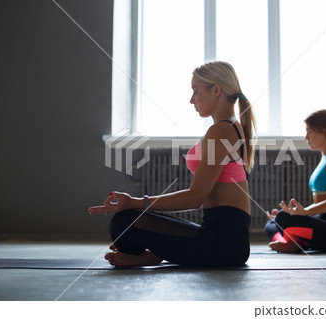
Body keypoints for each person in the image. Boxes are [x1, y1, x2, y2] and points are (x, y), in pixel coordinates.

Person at [89, 61, 256, 267]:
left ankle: (153, 253)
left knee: (124, 221)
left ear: (216, 90)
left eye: (195, 91)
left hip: (224, 245)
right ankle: (156, 254)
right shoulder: (230, 127)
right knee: (130, 221)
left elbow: (195, 197)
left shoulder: (222, 131)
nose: (191, 100)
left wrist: (135, 202)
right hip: (225, 240)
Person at [265, 109, 326, 253]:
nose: (306, 137)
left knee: (282, 218)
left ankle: (296, 241)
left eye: (309, 132)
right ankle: (296, 242)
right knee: (272, 223)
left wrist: (304, 212)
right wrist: (295, 213)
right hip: (323, 223)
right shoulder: (325, 158)